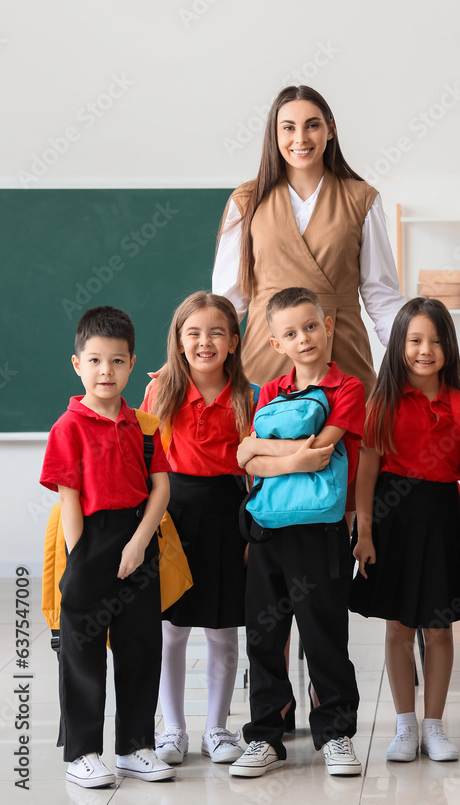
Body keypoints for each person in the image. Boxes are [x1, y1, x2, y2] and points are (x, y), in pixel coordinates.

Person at [229, 287, 364, 778]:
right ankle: (265, 735)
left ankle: (336, 735)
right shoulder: (267, 391)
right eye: (290, 333)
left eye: (310, 326)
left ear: (328, 325)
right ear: (275, 343)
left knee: (325, 633)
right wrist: (295, 458)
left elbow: (322, 451)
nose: (303, 338)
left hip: (319, 533)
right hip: (268, 532)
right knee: (265, 636)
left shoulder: (346, 388)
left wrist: (268, 455)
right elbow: (245, 459)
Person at [39, 306, 174, 788]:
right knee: (83, 652)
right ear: (78, 364)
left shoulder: (145, 425)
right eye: (95, 361)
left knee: (141, 647)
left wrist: (139, 544)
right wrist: (81, 563)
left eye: (117, 362)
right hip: (89, 543)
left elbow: (160, 488)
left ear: (133, 364)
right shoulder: (68, 427)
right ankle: (83, 754)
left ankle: (137, 746)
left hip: (139, 539)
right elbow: (69, 499)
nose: (106, 371)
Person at [349, 297, 460, 763]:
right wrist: (364, 532)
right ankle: (404, 726)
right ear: (399, 345)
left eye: (436, 340)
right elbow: (366, 472)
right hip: (393, 521)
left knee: (439, 629)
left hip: (444, 519)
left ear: (449, 346)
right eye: (415, 340)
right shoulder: (381, 401)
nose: (426, 350)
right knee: (400, 627)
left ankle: (434, 726)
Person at [212, 84, 405, 399]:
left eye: (312, 125)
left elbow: (380, 295)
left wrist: (415, 350)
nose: (300, 138)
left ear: (330, 130)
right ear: (274, 135)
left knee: (347, 446)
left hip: (342, 354)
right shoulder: (246, 200)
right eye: (288, 127)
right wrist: (186, 361)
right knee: (266, 444)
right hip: (266, 353)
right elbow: (228, 302)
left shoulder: (362, 199)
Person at [141, 292, 254, 766]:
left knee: (224, 630)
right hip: (173, 515)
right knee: (172, 630)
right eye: (194, 333)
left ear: (232, 342)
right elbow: (145, 462)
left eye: (216, 333)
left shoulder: (248, 395)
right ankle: (173, 729)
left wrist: (254, 530)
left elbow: (255, 469)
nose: (204, 342)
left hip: (230, 514)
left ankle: (218, 728)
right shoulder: (162, 387)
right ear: (179, 340)